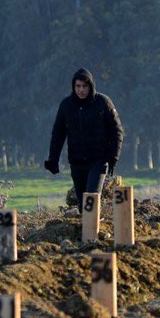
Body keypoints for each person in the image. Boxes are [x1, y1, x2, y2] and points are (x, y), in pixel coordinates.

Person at [44, 68, 124, 211]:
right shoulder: (66, 105)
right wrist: (53, 159)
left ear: (91, 86)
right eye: (78, 86)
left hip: (98, 160)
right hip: (77, 162)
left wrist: (113, 156)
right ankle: (86, 231)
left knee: (91, 198)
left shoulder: (103, 102)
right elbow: (58, 134)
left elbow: (117, 130)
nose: (81, 90)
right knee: (83, 206)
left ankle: (93, 232)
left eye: (84, 86)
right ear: (73, 87)